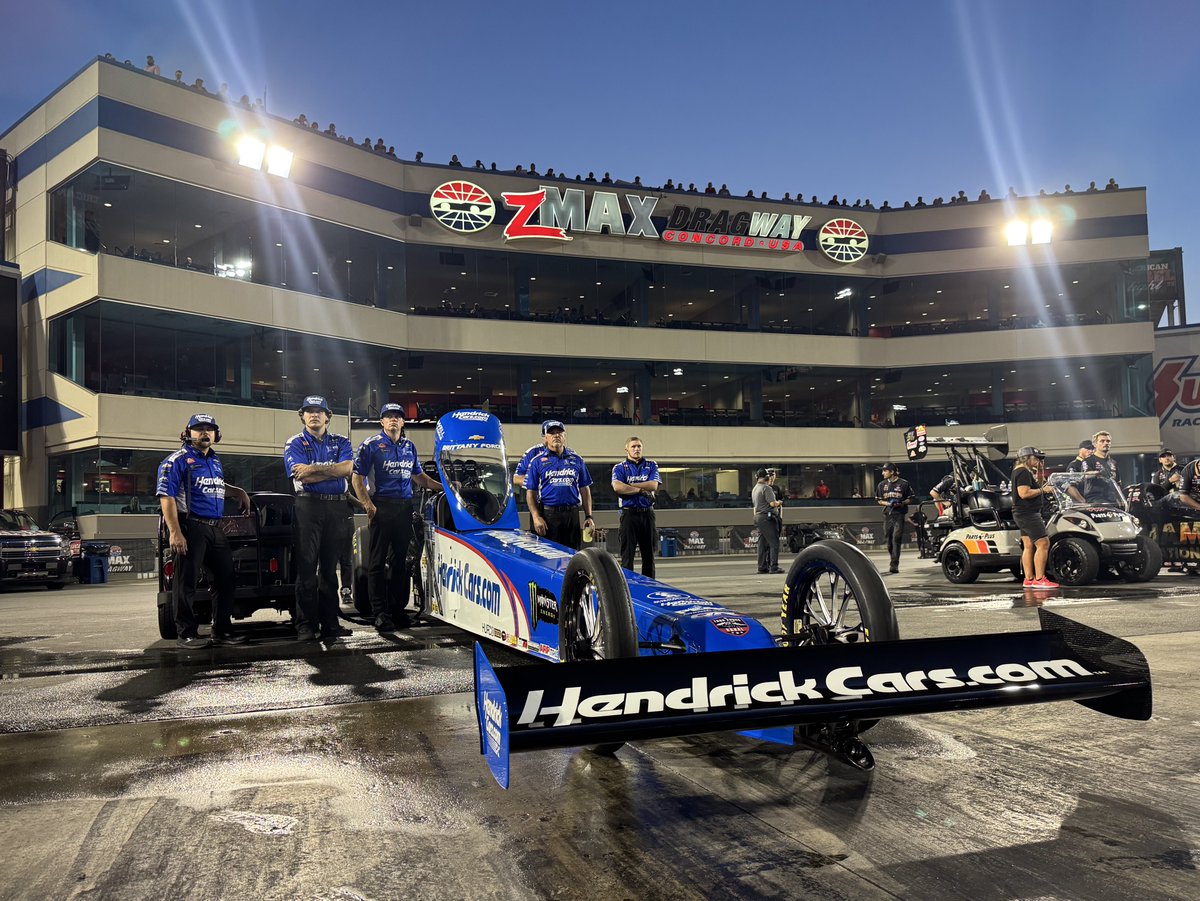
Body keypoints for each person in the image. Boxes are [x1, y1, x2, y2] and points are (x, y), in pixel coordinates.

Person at [156, 413, 251, 649]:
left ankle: (221, 630)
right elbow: (166, 497)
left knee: (225, 579)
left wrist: (238, 492)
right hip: (190, 526)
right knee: (185, 583)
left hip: (214, 528)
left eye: (209, 429)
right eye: (199, 429)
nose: (205, 433)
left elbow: (216, 487)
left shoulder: (214, 461)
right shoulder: (176, 460)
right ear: (188, 433)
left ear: (216, 435)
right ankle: (186, 633)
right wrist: (175, 532)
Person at [352, 404, 441, 633]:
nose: (393, 420)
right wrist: (368, 506)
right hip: (381, 507)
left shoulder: (409, 446)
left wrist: (446, 489)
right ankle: (380, 613)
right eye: (388, 417)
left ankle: (398, 610)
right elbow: (356, 478)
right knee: (377, 563)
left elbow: (419, 477)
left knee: (402, 563)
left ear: (403, 422)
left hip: (404, 509)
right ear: (382, 422)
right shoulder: (370, 445)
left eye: (397, 417)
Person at [284, 396, 354, 643]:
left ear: (327, 416)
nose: (314, 415)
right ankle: (305, 625)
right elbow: (301, 477)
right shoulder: (294, 442)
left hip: (336, 508)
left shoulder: (341, 441)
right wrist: (331, 471)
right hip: (308, 507)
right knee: (306, 567)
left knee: (329, 569)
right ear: (302, 416)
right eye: (309, 411)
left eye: (319, 411)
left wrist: (313, 469)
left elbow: (347, 469)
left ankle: (330, 624)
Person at [525, 420, 593, 550]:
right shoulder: (537, 461)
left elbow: (585, 489)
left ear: (564, 436)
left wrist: (589, 516)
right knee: (550, 556)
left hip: (572, 515)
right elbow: (530, 492)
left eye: (559, 432)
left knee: (573, 555)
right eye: (552, 433)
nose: (556, 435)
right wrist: (536, 517)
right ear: (546, 438)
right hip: (549, 516)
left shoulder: (577, 459)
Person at [611, 436, 660, 577]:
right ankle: (628, 588)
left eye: (639, 446)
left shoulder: (651, 465)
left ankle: (649, 587)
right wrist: (640, 490)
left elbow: (653, 485)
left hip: (647, 515)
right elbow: (617, 487)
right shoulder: (619, 468)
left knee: (649, 556)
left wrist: (628, 486)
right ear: (626, 449)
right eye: (633, 446)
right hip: (628, 515)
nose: (636, 449)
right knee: (627, 556)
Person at [1011, 447, 1057, 588]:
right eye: (1035, 458)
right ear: (1027, 458)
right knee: (1043, 543)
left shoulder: (1018, 471)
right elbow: (1024, 493)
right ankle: (1039, 579)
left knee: (1028, 546)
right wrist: (1043, 490)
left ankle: (1029, 579)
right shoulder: (1023, 471)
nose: (1037, 461)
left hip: (1021, 513)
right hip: (1028, 514)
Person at [875, 462, 915, 573]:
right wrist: (888, 504)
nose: (883, 473)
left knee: (896, 538)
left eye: (885, 470)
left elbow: (910, 498)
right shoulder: (881, 485)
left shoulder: (904, 483)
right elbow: (879, 500)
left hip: (899, 514)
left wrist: (901, 503)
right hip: (888, 515)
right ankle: (893, 558)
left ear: (892, 472)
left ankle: (894, 564)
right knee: (888, 540)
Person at [752, 468, 783, 574]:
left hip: (758, 517)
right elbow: (772, 504)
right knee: (774, 542)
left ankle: (761, 566)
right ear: (766, 477)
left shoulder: (755, 488)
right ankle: (773, 566)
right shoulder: (766, 488)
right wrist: (779, 502)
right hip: (767, 517)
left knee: (762, 543)